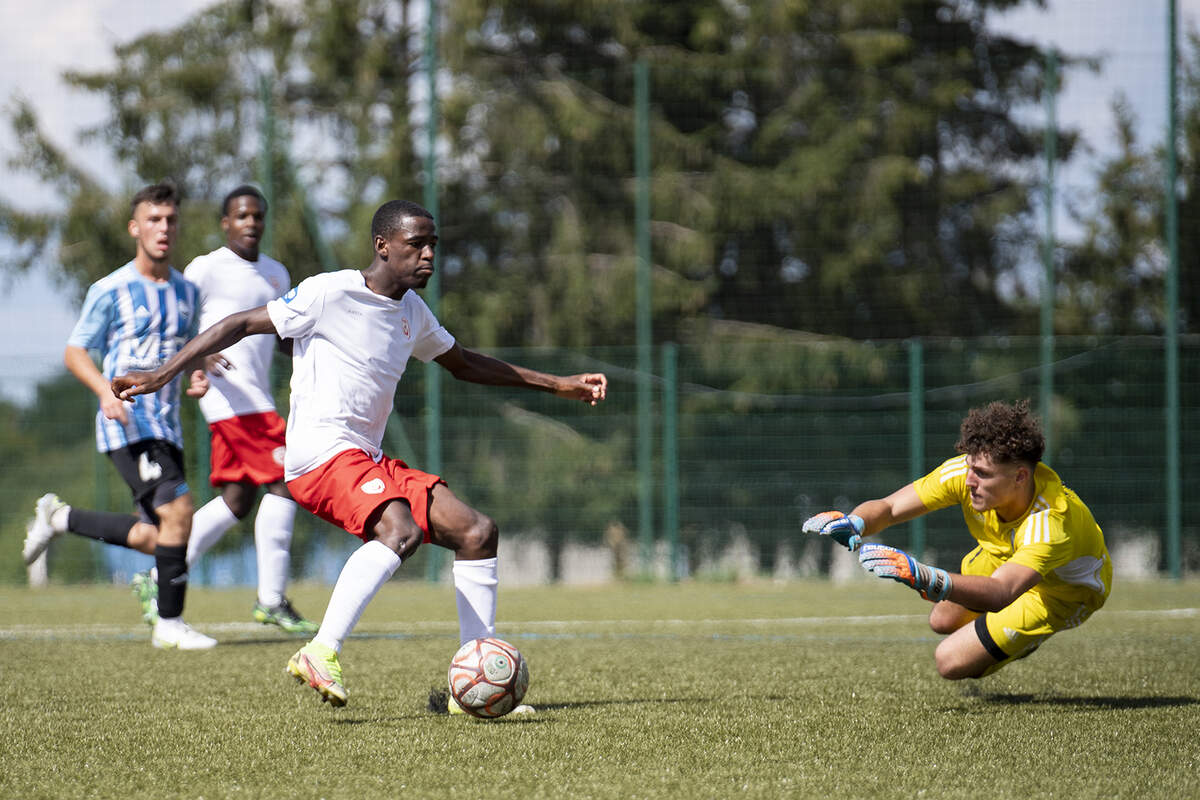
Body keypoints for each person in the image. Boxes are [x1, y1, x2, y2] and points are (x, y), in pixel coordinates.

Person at [112, 199, 608, 707]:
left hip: (364, 457)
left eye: (433, 244)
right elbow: (238, 324)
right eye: (417, 244)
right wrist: (160, 374)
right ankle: (320, 651)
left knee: (477, 532)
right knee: (401, 532)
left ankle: (470, 686)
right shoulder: (330, 291)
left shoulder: (412, 311)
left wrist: (558, 385)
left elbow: (463, 363)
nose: (429, 255)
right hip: (318, 456)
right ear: (383, 246)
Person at [21, 181, 217, 650]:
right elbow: (74, 351)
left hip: (168, 428)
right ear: (135, 228)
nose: (163, 228)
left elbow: (185, 348)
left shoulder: (188, 291)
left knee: (159, 536)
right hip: (129, 424)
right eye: (153, 219)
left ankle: (59, 519)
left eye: (170, 219)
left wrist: (197, 371)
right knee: (180, 512)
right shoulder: (111, 289)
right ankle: (169, 624)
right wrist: (104, 393)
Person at [802, 399, 1111, 680]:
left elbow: (1002, 592)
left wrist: (926, 577)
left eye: (982, 474)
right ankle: (997, 636)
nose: (969, 482)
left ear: (1020, 477)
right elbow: (891, 506)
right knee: (942, 620)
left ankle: (1022, 642)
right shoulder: (966, 473)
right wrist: (854, 522)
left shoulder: (1050, 523)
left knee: (949, 661)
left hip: (1062, 591)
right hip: (1003, 556)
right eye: (970, 467)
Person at [126, 184, 317, 635]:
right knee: (285, 481)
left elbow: (283, 337)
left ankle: (158, 575)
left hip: (257, 398)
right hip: (228, 399)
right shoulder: (207, 268)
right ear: (225, 223)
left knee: (237, 501)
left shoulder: (276, 273)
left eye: (258, 216)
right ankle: (270, 599)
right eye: (242, 216)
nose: (251, 223)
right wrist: (198, 358)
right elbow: (177, 322)